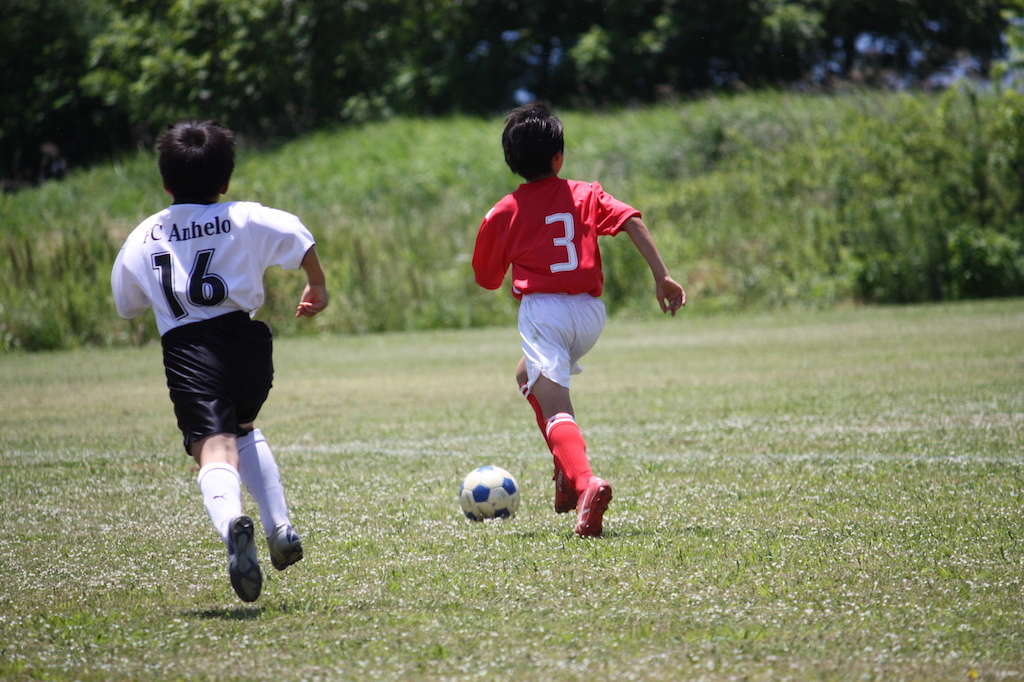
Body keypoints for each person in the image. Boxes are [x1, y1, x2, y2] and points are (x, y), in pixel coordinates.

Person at [111, 119, 328, 602]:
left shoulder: (144, 235)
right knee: (243, 427)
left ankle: (233, 524)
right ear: (225, 181)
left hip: (190, 349)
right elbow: (295, 232)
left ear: (166, 183)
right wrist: (316, 282)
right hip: (248, 344)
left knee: (212, 448)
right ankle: (279, 527)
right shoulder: (243, 215)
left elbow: (126, 304)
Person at [472, 102, 685, 538]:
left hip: (544, 313)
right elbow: (631, 220)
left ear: (512, 161)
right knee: (525, 375)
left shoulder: (503, 211)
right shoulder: (585, 194)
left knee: (555, 407)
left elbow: (487, 279)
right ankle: (565, 473)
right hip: (590, 314)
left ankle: (585, 482)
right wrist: (662, 277)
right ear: (559, 158)